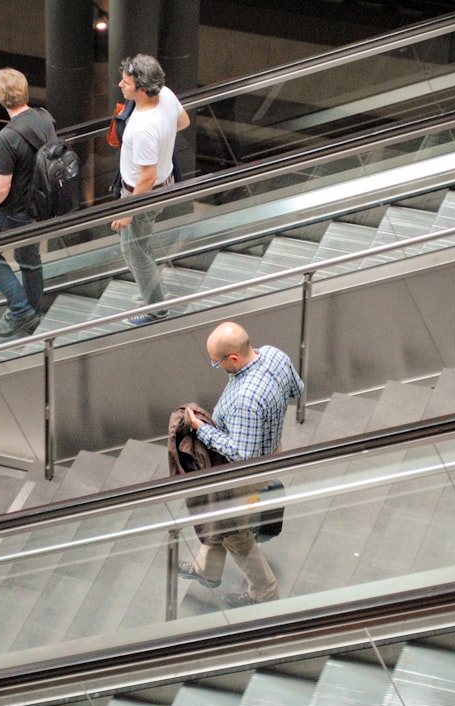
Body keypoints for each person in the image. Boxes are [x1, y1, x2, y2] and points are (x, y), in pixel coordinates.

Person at [180, 321, 304, 607]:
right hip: (273, 450)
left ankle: (265, 593)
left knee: (234, 533)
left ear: (233, 358)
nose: (217, 366)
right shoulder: (274, 355)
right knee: (219, 516)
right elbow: (297, 388)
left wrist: (202, 429)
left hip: (247, 472)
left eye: (217, 363)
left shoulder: (246, 401)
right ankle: (207, 569)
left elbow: (241, 454)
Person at [110, 53, 190, 327]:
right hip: (162, 186)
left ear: (142, 89)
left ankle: (156, 309)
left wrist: (128, 210)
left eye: (126, 82)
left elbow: (147, 176)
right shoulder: (166, 94)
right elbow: (183, 121)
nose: (120, 85)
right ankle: (151, 291)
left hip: (141, 194)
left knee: (135, 252)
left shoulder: (144, 128)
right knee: (136, 248)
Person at [0, 67, 50, 338]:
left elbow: (2, 186)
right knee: (28, 257)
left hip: (15, 208)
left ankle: (21, 310)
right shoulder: (44, 117)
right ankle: (33, 313)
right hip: (41, 204)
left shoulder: (6, 137)